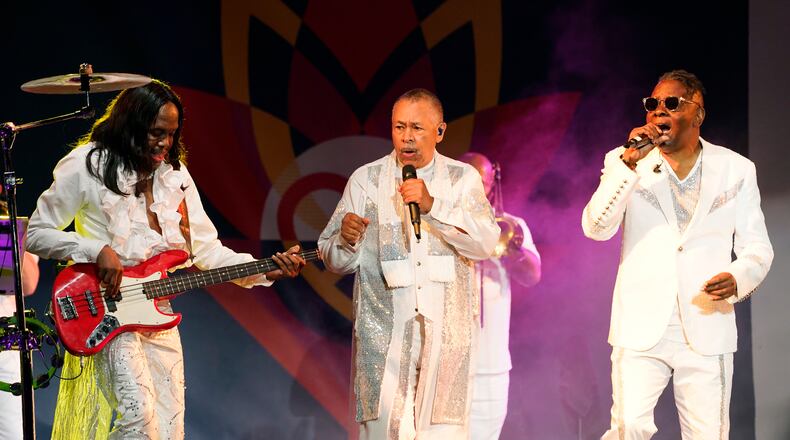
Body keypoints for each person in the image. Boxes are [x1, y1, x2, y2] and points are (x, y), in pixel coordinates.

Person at [25, 80, 306, 439]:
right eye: (157, 133)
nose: (165, 144)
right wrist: (96, 250)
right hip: (107, 309)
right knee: (139, 423)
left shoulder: (175, 176)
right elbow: (35, 233)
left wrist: (266, 269)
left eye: (172, 134)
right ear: (131, 125)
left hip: (156, 314)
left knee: (170, 432)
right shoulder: (86, 165)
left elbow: (207, 251)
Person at [582, 70, 773, 438]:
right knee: (628, 428)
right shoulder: (624, 163)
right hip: (640, 325)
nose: (658, 112)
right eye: (652, 104)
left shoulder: (736, 169)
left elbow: (758, 247)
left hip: (706, 320)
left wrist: (738, 278)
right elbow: (595, 228)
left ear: (698, 114)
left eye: (672, 103)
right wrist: (629, 164)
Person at [318, 88, 499, 439]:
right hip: (384, 337)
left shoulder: (462, 180)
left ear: (440, 132)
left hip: (447, 335)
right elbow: (333, 258)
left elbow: (486, 243)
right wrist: (347, 238)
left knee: (443, 433)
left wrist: (433, 207)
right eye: (399, 127)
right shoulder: (366, 180)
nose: (406, 137)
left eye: (417, 127)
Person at [458, 152, 541, 440]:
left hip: (491, 369)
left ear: (493, 184)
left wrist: (509, 248)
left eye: (482, 182)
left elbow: (532, 276)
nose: (476, 189)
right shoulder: (439, 225)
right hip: (446, 369)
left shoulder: (511, 225)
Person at [0, 196, 40, 440]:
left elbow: (28, 283)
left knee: (15, 434)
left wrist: (7, 225)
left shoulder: (9, 220)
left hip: (5, 349)